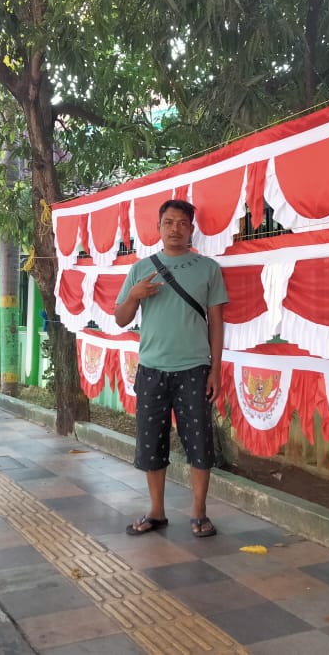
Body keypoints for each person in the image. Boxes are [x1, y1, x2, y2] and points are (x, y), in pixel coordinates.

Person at [114, 199, 228, 538]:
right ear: (159, 227)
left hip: (194, 369)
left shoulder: (207, 269)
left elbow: (217, 323)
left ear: (191, 228)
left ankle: (198, 512)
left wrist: (216, 370)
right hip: (151, 369)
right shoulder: (141, 268)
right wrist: (134, 295)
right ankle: (157, 512)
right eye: (168, 222)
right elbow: (121, 318)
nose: (175, 228)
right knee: (150, 443)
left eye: (182, 223)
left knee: (199, 443)